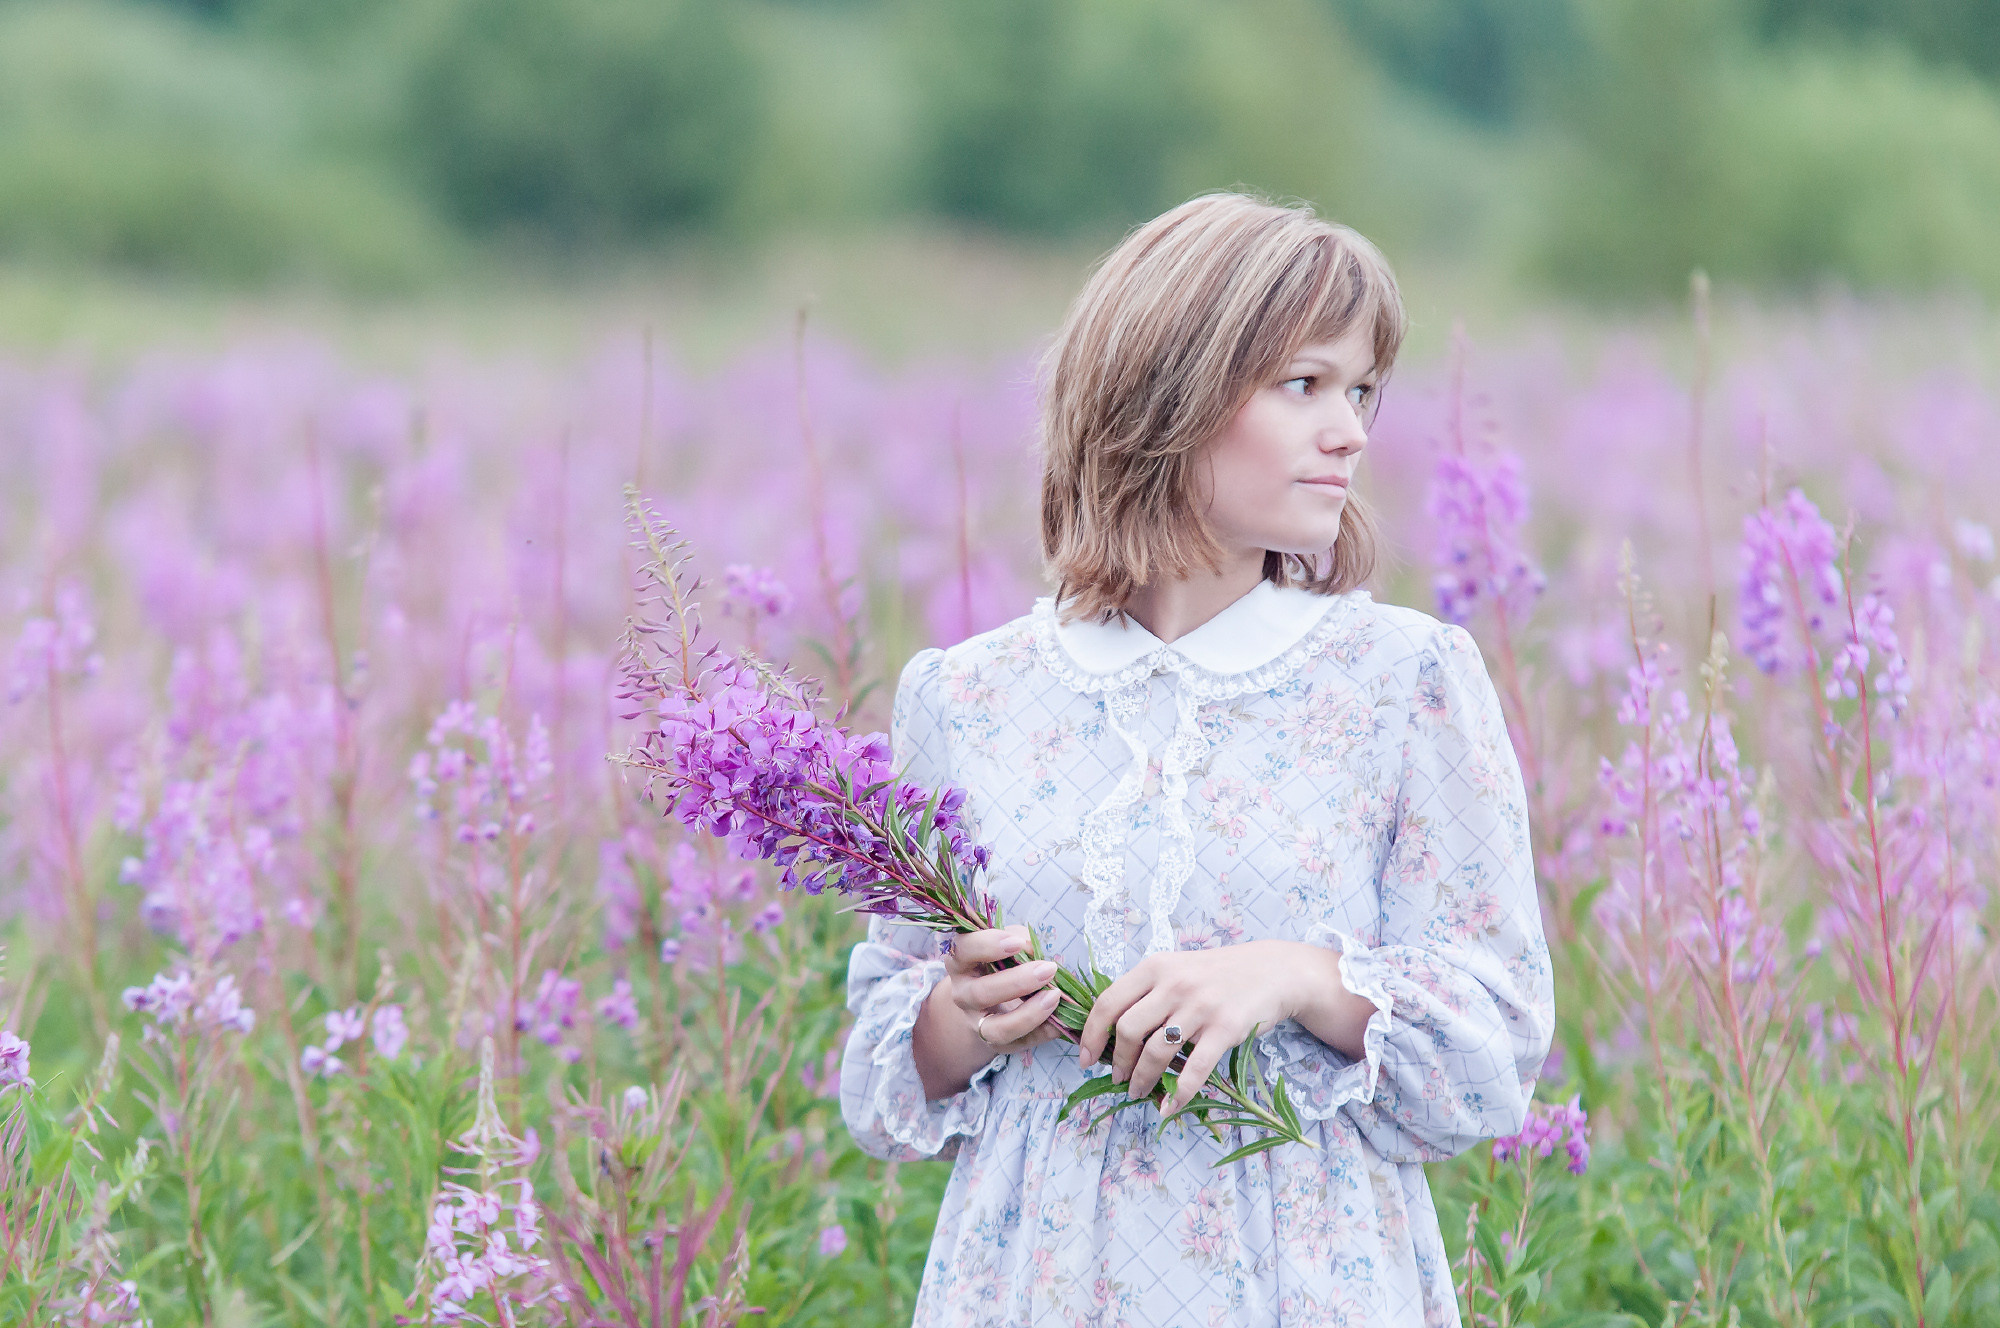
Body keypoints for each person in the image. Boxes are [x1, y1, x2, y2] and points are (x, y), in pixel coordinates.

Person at [838, 191, 1553, 1327]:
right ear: (1168, 392)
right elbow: (880, 1074)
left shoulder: (1403, 678)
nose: (1350, 431)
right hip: (1034, 1285)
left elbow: (1492, 1049)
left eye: (1362, 390)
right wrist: (961, 1016)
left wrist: (1294, 976)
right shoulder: (966, 696)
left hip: (1305, 1285)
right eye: (1303, 384)